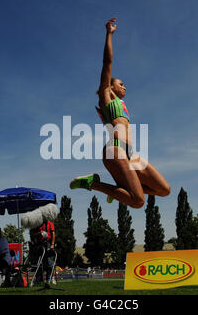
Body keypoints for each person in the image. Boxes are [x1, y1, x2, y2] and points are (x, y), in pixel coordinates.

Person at [70, 18, 171, 209]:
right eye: (121, 84)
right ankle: (93, 183)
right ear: (111, 86)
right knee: (138, 201)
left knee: (164, 189)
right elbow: (107, 62)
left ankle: (120, 191)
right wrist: (109, 34)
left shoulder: (122, 104)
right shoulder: (106, 98)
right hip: (114, 150)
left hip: (130, 153)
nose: (125, 86)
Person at [33, 219, 56, 285]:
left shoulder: (50, 224)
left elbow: (53, 233)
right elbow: (35, 234)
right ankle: (39, 279)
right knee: (40, 262)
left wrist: (52, 244)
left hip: (48, 243)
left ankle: (51, 278)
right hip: (40, 244)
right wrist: (40, 233)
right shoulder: (39, 224)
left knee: (50, 262)